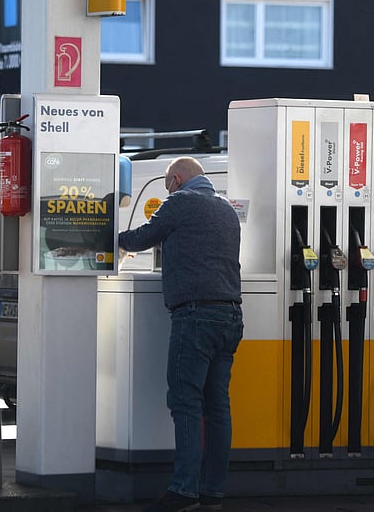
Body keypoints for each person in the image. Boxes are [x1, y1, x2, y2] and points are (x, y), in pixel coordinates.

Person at [118, 156, 243, 512]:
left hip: (196, 316)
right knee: (217, 407)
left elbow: (142, 238)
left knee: (186, 402)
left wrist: (108, 237)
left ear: (175, 180)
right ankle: (212, 492)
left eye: (167, 185)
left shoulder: (179, 203)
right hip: (231, 316)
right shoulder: (226, 209)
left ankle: (185, 489)